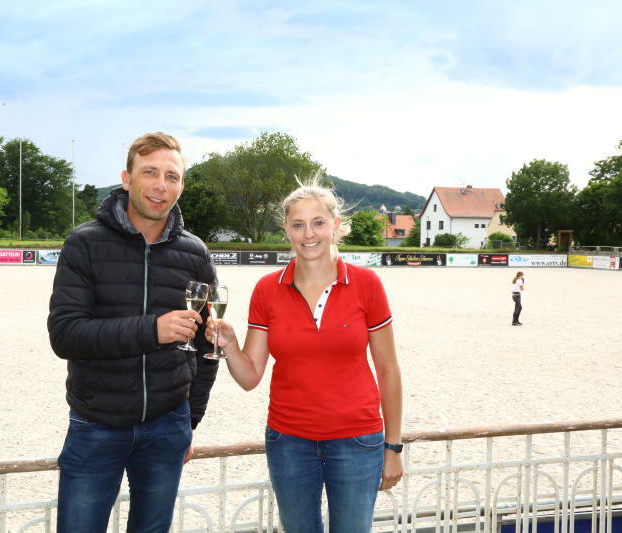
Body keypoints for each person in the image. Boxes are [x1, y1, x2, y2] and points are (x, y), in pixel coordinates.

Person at [205, 178, 404, 533]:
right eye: (298, 224)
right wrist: (230, 346)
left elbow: (388, 370)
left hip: (357, 441)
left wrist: (393, 446)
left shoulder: (366, 284)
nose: (308, 233)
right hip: (289, 442)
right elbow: (250, 377)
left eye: (318, 222)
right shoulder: (267, 289)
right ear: (287, 230)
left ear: (336, 225)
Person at [47, 132, 218, 532]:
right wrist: (152, 330)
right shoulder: (85, 243)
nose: (161, 185)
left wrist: (188, 421)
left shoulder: (195, 253)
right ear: (127, 179)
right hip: (97, 423)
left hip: (167, 425)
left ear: (181, 185)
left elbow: (208, 344)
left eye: (172, 176)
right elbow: (65, 335)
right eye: (150, 173)